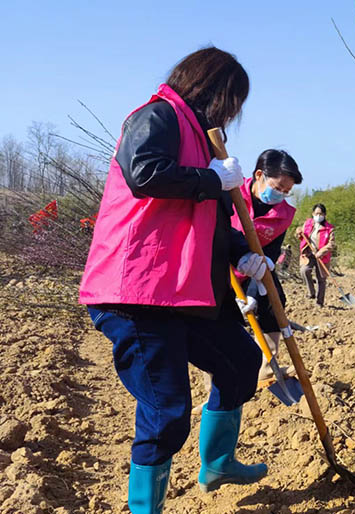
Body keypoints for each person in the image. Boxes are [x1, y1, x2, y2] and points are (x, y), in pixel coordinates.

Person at [78, 48, 270, 513]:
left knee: (241, 361)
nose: (233, 113)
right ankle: (146, 508)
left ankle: (218, 462)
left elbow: (217, 227)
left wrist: (245, 256)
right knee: (166, 412)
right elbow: (145, 173)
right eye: (232, 100)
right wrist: (210, 177)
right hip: (136, 293)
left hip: (181, 293)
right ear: (211, 89)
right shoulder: (157, 116)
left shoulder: (204, 144)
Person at [230, 149, 302, 381]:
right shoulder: (230, 193)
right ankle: (220, 380)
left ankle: (266, 368)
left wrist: (253, 293)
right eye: (278, 187)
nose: (280, 194)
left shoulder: (284, 214)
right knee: (222, 319)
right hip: (220, 269)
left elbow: (269, 254)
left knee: (274, 301)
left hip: (256, 268)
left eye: (286, 191)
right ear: (259, 174)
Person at [298, 203, 335, 306]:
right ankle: (311, 292)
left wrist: (321, 252)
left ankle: (320, 302)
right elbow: (301, 236)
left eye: (321, 213)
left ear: (324, 215)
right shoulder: (308, 224)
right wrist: (298, 232)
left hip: (322, 256)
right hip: (309, 254)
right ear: (313, 213)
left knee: (321, 279)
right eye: (316, 213)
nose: (318, 216)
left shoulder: (329, 228)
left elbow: (331, 244)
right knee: (304, 270)